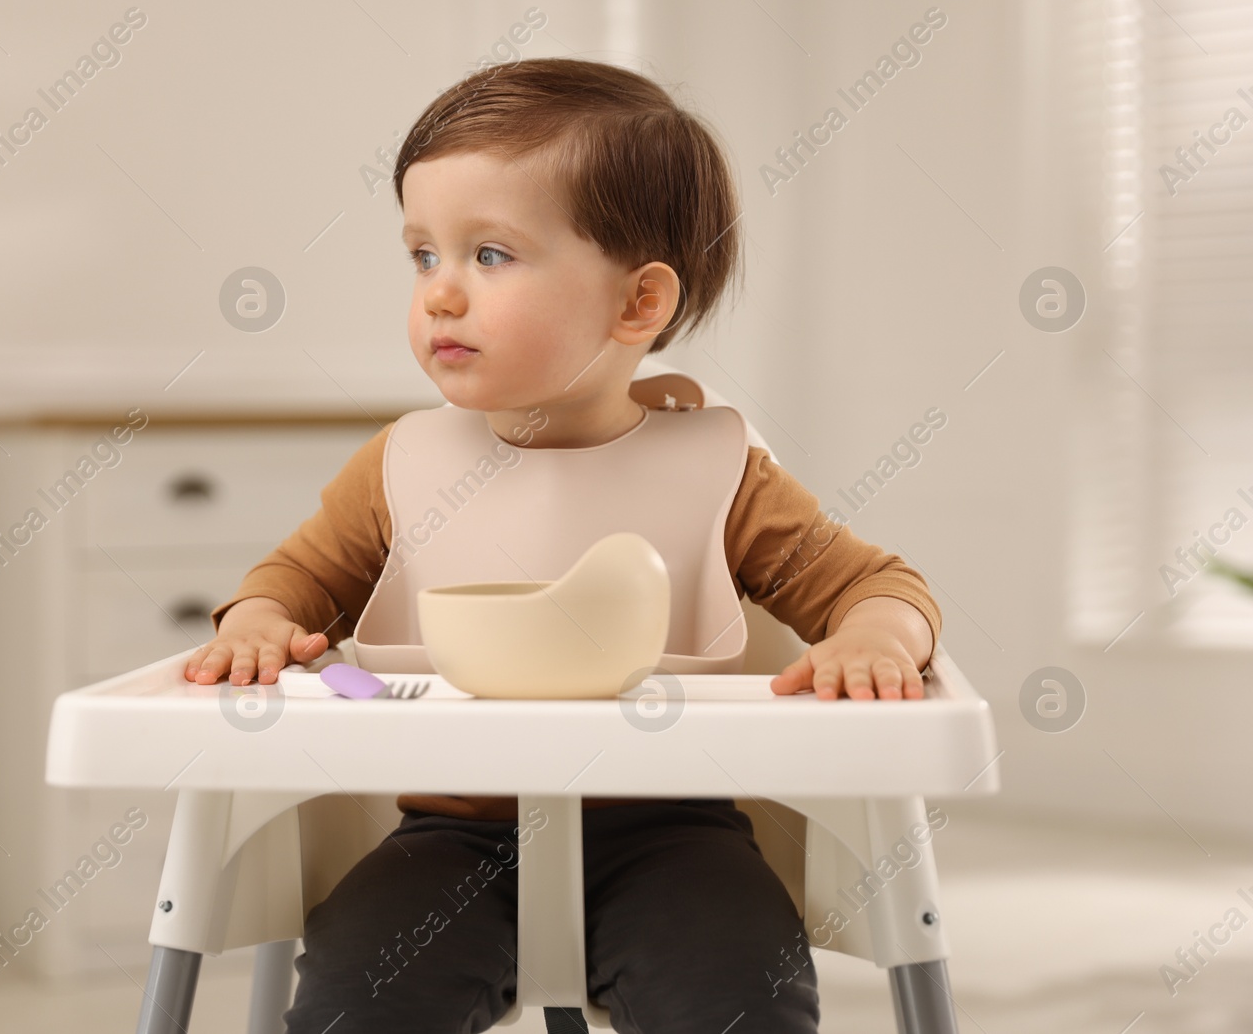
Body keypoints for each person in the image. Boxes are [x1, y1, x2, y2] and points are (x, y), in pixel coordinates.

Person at [184, 57, 941, 1034]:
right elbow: (294, 582)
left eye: (488, 255)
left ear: (636, 304)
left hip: (671, 829)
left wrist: (874, 636)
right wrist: (255, 622)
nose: (441, 294)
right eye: (423, 255)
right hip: (451, 839)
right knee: (355, 999)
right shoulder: (400, 466)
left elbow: (873, 582)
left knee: (737, 996)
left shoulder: (719, 471)